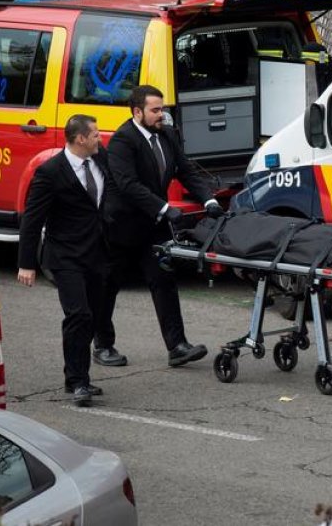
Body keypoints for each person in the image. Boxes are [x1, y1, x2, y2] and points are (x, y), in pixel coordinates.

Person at [99, 85, 221, 368]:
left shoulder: (166, 135)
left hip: (154, 225)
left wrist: (209, 200)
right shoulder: (122, 141)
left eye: (162, 109)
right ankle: (103, 345)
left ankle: (177, 346)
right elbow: (128, 185)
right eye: (155, 110)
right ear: (137, 111)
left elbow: (186, 170)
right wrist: (166, 208)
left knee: (164, 281)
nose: (161, 115)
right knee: (109, 286)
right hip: (123, 227)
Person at [17, 114, 111, 407]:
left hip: (97, 253)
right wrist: (26, 263)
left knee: (94, 316)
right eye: (95, 134)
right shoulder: (50, 172)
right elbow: (32, 220)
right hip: (65, 256)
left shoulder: (100, 158)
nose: (100, 138)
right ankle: (78, 381)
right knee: (78, 315)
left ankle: (76, 377)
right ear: (80, 138)